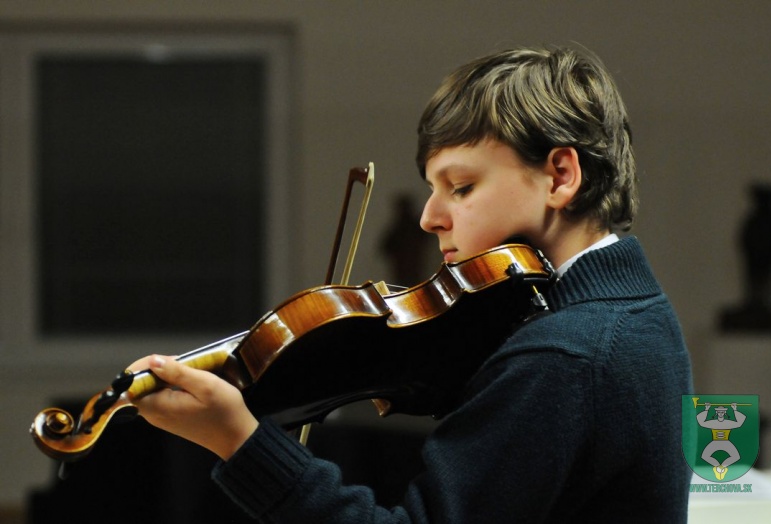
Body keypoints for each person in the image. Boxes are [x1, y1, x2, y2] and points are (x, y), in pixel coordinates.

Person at [129, 44, 693, 522]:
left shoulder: (566, 356)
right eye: (432, 187)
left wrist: (240, 442)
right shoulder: (637, 313)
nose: (429, 217)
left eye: (462, 186)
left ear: (560, 176)